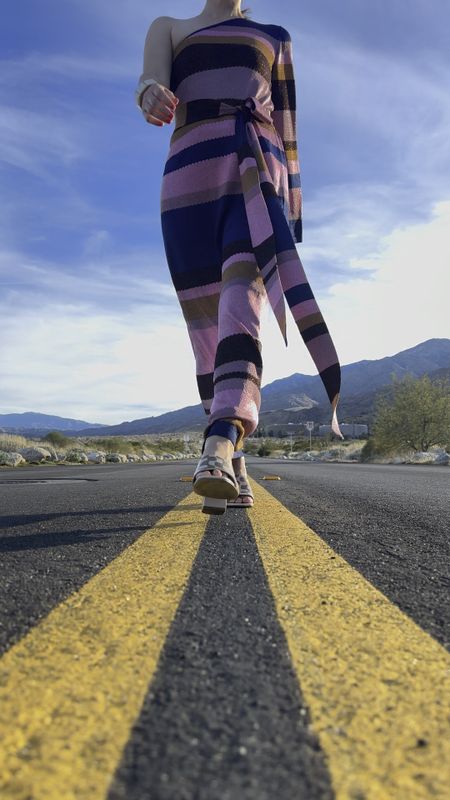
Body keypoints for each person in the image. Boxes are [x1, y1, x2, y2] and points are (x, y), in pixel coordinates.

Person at [135, 1, 343, 515]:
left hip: (255, 172)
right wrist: (149, 94)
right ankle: (233, 457)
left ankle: (221, 441)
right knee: (206, 325)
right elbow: (148, 82)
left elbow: (287, 127)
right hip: (188, 178)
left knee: (239, 308)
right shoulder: (169, 27)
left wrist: (290, 206)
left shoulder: (275, 36)